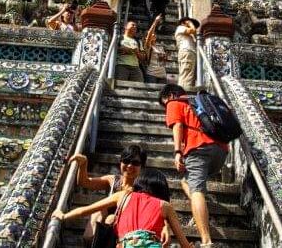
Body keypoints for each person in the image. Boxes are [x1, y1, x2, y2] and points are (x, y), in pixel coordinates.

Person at [158, 84, 229, 248]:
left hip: (198, 149)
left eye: (164, 103)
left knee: (196, 190)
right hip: (221, 151)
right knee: (186, 182)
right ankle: (201, 207)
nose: (165, 107)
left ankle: (206, 241)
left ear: (170, 95)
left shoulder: (174, 103)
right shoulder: (198, 102)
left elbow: (177, 126)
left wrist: (177, 151)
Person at [52, 168, 194, 248]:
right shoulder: (166, 206)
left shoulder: (122, 196)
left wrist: (63, 216)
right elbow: (184, 244)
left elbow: (86, 210)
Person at [68, 144, 147, 247]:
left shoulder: (144, 187)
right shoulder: (113, 180)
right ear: (120, 162)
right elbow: (84, 182)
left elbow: (161, 207)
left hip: (129, 227)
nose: (129, 166)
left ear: (142, 166)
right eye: (126, 161)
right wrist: (83, 164)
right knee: (99, 212)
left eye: (135, 163)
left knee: (111, 219)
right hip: (104, 225)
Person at [174, 17, 199, 90]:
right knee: (186, 75)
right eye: (188, 22)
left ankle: (184, 92)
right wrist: (190, 23)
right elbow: (193, 30)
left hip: (189, 52)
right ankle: (184, 93)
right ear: (183, 22)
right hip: (187, 52)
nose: (191, 24)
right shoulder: (180, 27)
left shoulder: (189, 35)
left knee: (189, 76)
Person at [143, 14, 168, 84]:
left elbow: (162, 62)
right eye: (151, 34)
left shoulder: (160, 47)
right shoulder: (148, 46)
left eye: (154, 34)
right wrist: (155, 22)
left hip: (162, 74)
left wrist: (165, 57)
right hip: (151, 74)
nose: (153, 34)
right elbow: (150, 35)